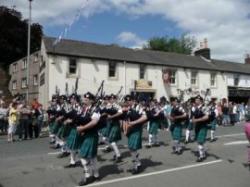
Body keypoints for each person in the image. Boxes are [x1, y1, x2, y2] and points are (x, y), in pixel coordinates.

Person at [77, 92, 101, 186]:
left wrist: (83, 128)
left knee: (83, 155)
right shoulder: (84, 109)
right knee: (93, 156)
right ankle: (96, 175)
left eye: (87, 99)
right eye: (84, 99)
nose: (84, 100)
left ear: (91, 100)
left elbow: (94, 122)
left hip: (91, 135)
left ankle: (87, 176)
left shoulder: (95, 109)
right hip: (85, 134)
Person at [192, 95, 209, 162]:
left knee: (200, 142)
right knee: (199, 142)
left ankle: (201, 156)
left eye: (197, 100)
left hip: (203, 126)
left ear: (201, 101)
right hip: (197, 126)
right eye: (196, 100)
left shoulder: (204, 107)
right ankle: (203, 153)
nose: (196, 101)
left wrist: (197, 120)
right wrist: (193, 120)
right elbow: (193, 117)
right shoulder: (196, 108)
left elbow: (207, 117)